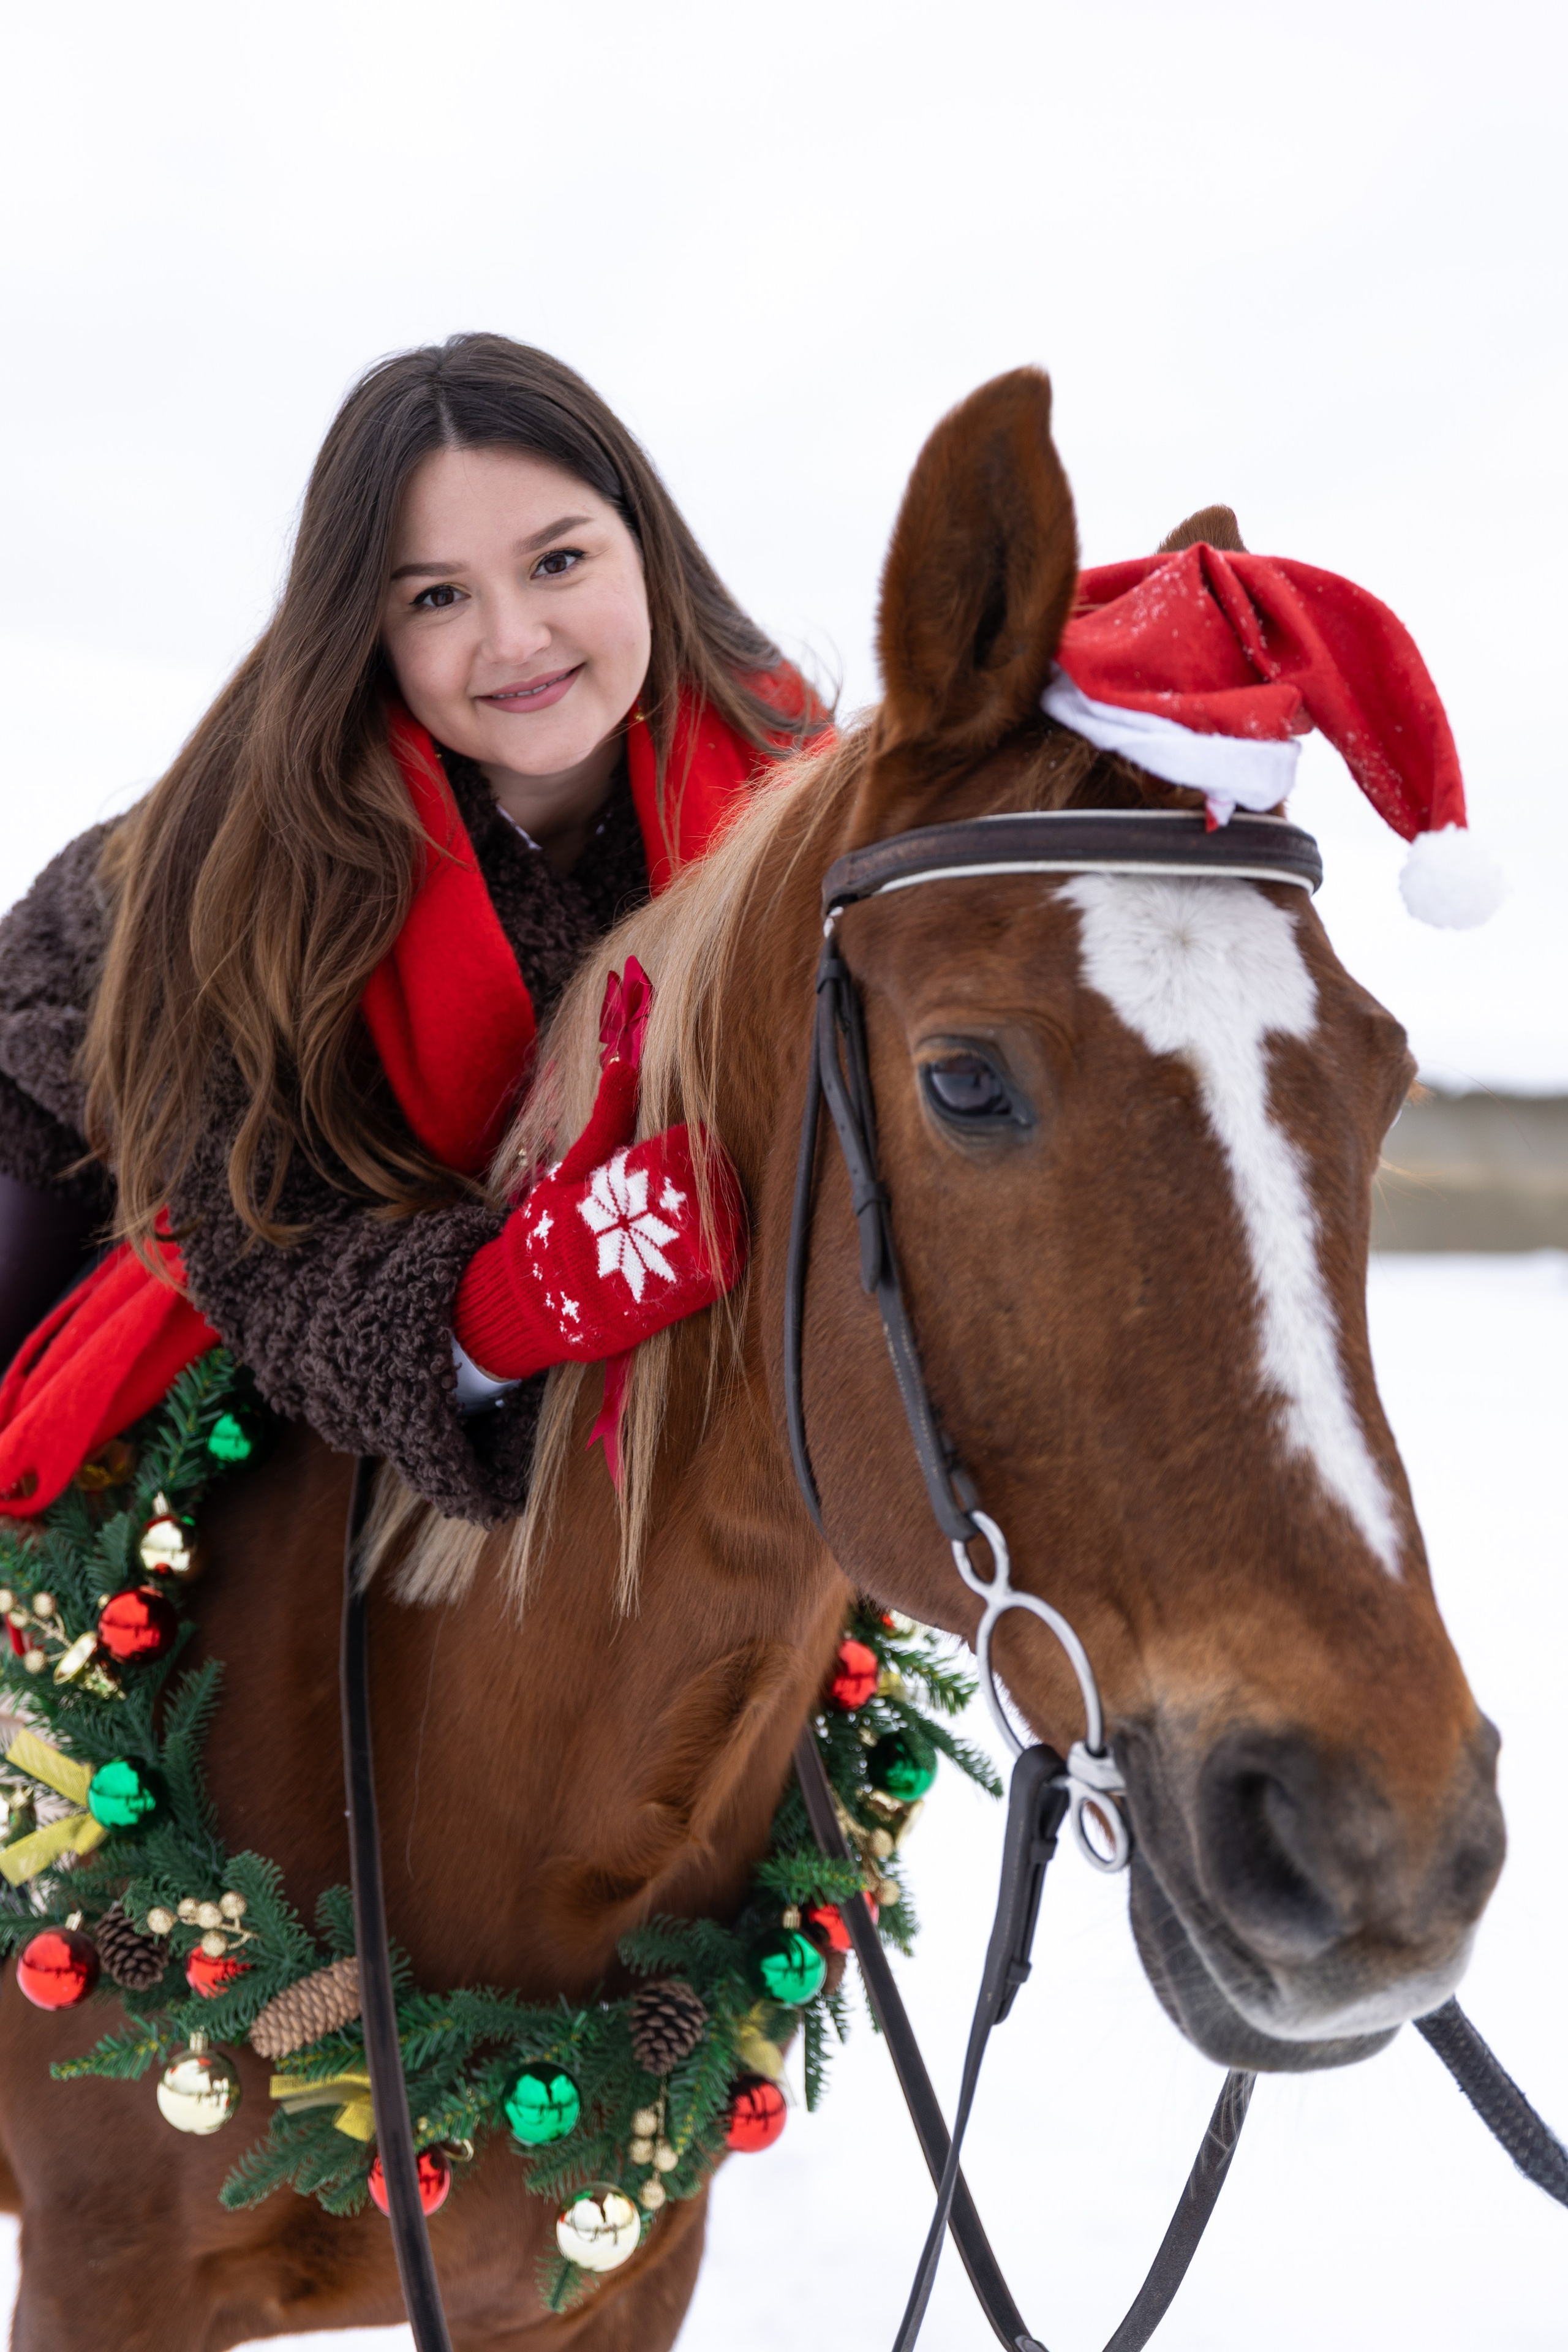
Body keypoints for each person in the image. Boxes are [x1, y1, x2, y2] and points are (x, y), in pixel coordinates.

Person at [0, 333, 819, 1523]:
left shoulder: (781, 781)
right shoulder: (258, 864)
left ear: (645, 546)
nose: (514, 641)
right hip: (111, 1103)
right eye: (436, 596)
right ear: (367, 631)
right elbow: (271, 1243)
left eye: (557, 562)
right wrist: (514, 1304)